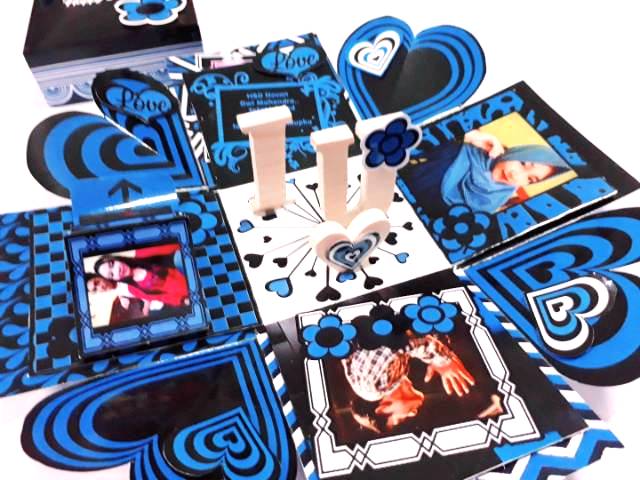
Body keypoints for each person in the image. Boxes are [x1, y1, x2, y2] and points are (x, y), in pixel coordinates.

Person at [402, 130, 569, 216]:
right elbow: (407, 147)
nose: (516, 176)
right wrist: (468, 136)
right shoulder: (460, 150)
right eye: (523, 163)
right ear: (516, 152)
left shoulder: (497, 201)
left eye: (530, 179)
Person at [342, 334, 475, 432]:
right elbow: (415, 336)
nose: (413, 413)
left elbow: (392, 342)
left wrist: (441, 360)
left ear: (382, 409)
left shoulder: (368, 389)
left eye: (400, 419)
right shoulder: (397, 370)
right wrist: (439, 350)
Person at [93, 244, 189, 308]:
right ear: (114, 279)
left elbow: (176, 247)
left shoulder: (141, 253)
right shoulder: (133, 289)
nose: (117, 270)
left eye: (112, 264)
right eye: (112, 274)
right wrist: (183, 300)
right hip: (186, 292)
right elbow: (162, 298)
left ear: (115, 259)